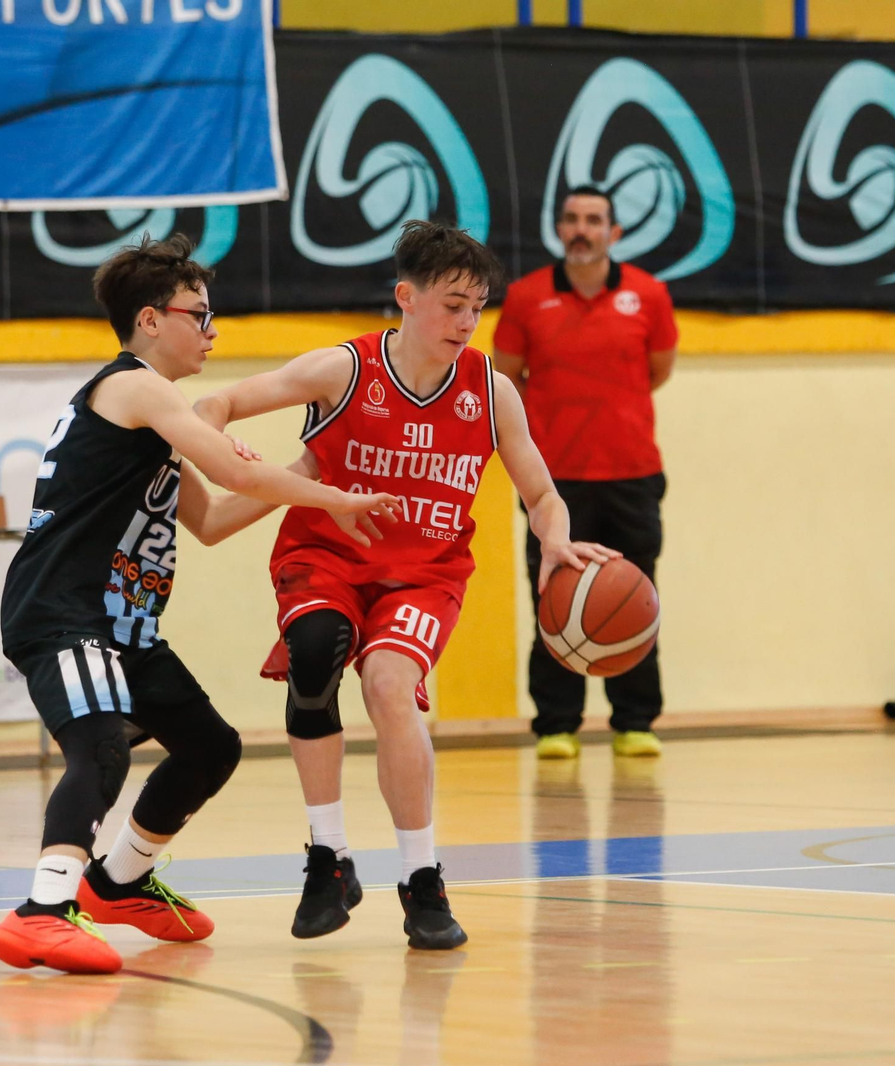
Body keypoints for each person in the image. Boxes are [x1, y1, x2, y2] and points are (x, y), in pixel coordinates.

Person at [194, 220, 617, 950]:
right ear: (406, 299)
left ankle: (423, 880)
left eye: (477, 305)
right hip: (327, 553)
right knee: (316, 650)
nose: (466, 321)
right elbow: (215, 406)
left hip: (425, 574)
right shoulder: (342, 370)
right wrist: (230, 452)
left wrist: (554, 539)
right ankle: (328, 857)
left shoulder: (492, 390)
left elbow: (543, 495)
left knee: (389, 684)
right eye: (452, 304)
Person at [0, 235, 400, 975]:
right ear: (150, 320)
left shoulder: (150, 415)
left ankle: (118, 880)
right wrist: (331, 496)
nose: (213, 331)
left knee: (212, 746)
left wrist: (312, 465)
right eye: (199, 314)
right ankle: (43, 910)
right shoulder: (137, 386)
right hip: (65, 612)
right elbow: (235, 472)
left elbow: (209, 520)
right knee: (102, 745)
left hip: (123, 625)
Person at [492, 186, 679, 760]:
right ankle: (555, 725)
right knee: (553, 596)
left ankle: (635, 722)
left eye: (594, 220)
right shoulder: (525, 299)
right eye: (571, 219)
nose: (582, 229)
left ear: (614, 232)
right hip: (555, 483)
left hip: (631, 474)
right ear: (559, 228)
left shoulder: (649, 294)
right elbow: (506, 381)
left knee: (634, 595)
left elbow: (657, 371)